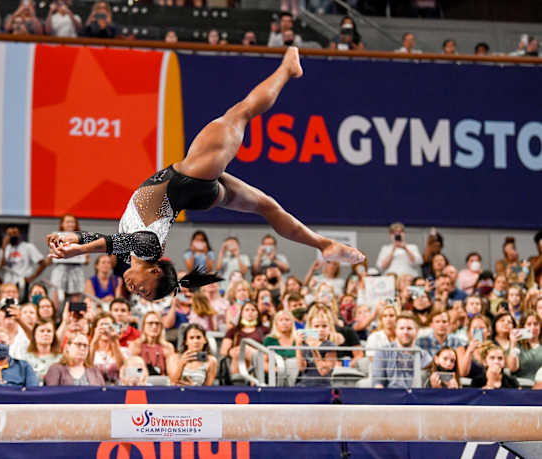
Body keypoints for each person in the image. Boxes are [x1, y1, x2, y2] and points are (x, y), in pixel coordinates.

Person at [47, 47, 364, 301]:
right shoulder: (149, 249)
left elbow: (111, 241)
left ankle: (322, 244)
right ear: (156, 272)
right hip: (188, 180)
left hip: (195, 192)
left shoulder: (133, 256)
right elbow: (119, 240)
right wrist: (79, 247)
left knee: (267, 207)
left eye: (140, 295)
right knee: (240, 113)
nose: (135, 291)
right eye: (144, 291)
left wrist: (73, 238)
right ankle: (287, 69)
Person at [372, 312, 432, 389]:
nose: (405, 332)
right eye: (401, 328)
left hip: (416, 398)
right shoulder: (383, 352)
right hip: (390, 397)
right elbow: (378, 383)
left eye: (409, 328)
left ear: (416, 331)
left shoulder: (424, 356)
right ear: (395, 330)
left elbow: (428, 384)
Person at [0, 225, 51, 296]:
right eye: (9, 234)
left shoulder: (28, 247)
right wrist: (4, 248)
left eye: (14, 233)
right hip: (8, 283)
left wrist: (32, 277)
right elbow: (0, 266)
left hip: (22, 282)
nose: (12, 235)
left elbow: (42, 263)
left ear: (19, 234)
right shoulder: (5, 249)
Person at [220, 302, 268, 375]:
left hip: (260, 357)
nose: (250, 312)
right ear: (241, 313)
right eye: (247, 310)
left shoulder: (265, 330)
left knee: (244, 350)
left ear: (257, 314)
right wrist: (231, 351)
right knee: (239, 352)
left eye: (253, 310)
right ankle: (240, 382)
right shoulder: (233, 331)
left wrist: (247, 351)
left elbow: (269, 350)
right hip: (238, 359)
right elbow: (223, 351)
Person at [50, 214, 89, 303]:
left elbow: (87, 260)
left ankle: (74, 315)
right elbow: (51, 256)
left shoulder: (82, 237)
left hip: (76, 268)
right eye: (67, 222)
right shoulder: (56, 236)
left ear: (76, 224)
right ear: (62, 224)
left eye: (72, 222)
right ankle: (55, 316)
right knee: (56, 293)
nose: (70, 224)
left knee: (76, 296)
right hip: (60, 268)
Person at [129, 311, 175, 377]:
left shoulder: (168, 347)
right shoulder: (135, 345)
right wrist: (145, 372)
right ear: (143, 326)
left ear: (161, 327)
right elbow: (132, 372)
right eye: (150, 323)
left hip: (162, 384)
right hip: (141, 383)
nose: (154, 326)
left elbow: (172, 374)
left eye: (157, 323)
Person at [263, 309, 301, 386]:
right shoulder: (269, 340)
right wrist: (278, 370)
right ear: (276, 323)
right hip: (276, 376)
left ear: (292, 323)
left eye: (287, 320)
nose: (284, 323)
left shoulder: (298, 339)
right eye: (281, 320)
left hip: (296, 374)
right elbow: (263, 362)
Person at [87, 313, 127, 384]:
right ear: (94, 329)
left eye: (109, 325)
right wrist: (94, 342)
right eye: (101, 325)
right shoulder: (87, 350)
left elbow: (124, 368)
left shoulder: (123, 350)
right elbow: (87, 368)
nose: (105, 329)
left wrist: (114, 342)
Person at [24, 319, 60, 385]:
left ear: (53, 335)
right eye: (42, 331)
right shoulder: (25, 359)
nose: (45, 334)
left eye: (49, 331)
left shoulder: (60, 359)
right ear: (34, 335)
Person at [515, 312, 542, 381]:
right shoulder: (517, 345)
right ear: (523, 326)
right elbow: (513, 368)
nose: (532, 327)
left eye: (536, 324)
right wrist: (513, 343)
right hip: (522, 386)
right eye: (529, 324)